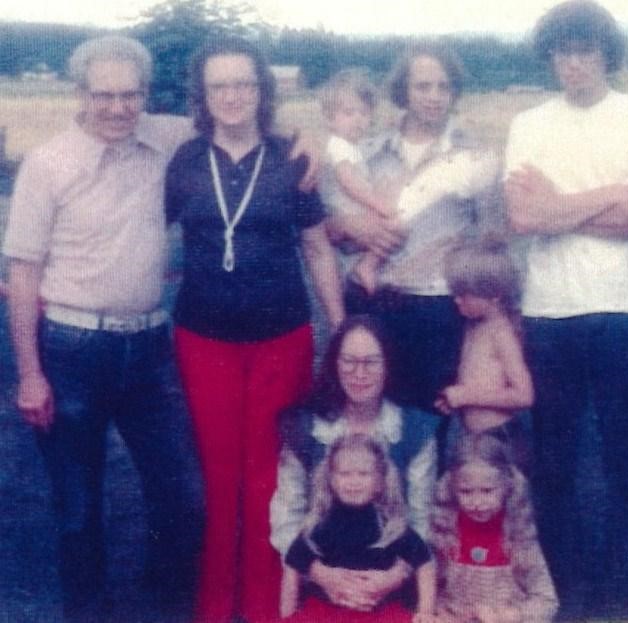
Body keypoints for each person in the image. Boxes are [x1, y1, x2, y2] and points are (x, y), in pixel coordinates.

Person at [2, 36, 202, 622]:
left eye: (130, 95)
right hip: (71, 348)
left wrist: (301, 141)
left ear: (145, 93)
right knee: (79, 507)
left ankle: (162, 606)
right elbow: (23, 271)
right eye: (104, 95)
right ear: (80, 94)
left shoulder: (166, 138)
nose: (118, 108)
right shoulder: (48, 164)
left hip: (150, 348)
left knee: (180, 494)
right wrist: (30, 374)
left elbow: (240, 122)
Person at [504, 0, 628, 615]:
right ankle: (563, 583)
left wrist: (560, 207)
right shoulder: (529, 124)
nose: (572, 63)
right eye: (561, 52)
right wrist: (611, 194)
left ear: (607, 54)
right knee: (554, 462)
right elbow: (523, 217)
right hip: (550, 313)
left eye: (583, 50)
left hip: (627, 312)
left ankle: (627, 585)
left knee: (625, 459)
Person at [164, 36, 345, 623]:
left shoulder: (293, 157)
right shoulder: (184, 159)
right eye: (220, 86)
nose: (233, 96)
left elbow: (317, 249)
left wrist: (340, 328)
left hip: (281, 337)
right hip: (204, 341)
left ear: (262, 90)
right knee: (220, 478)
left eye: (243, 84)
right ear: (203, 95)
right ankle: (216, 607)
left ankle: (268, 607)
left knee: (270, 476)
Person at [328, 44, 500, 469]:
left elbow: (493, 238)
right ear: (403, 89)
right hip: (372, 300)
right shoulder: (367, 150)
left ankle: (422, 509)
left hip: (437, 309)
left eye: (443, 86)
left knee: (426, 428)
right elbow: (331, 232)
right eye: (423, 86)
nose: (434, 96)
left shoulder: (473, 156)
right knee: (367, 423)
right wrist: (354, 228)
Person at [270, 315, 439, 607]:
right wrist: (323, 576)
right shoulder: (306, 429)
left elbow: (422, 520)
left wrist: (393, 577)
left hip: (391, 586)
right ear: (335, 364)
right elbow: (287, 516)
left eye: (371, 362)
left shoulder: (413, 430)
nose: (359, 373)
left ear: (387, 366)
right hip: (319, 584)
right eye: (349, 361)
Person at [280, 433, 437, 623]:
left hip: (381, 613)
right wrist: (287, 615)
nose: (354, 481)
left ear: (380, 482)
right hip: (328, 611)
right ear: (331, 480)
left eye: (363, 474)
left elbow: (425, 563)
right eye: (344, 474)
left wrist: (426, 612)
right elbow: (293, 563)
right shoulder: (320, 526)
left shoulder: (391, 526)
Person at [430, 433, 558, 623]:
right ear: (451, 488)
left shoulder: (518, 534)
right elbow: (431, 590)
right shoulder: (445, 530)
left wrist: (506, 616)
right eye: (466, 491)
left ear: (507, 485)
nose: (477, 502)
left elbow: (547, 601)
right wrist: (441, 613)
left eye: (487, 491)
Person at [435, 236, 533, 435]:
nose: (456, 300)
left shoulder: (502, 334)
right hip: (470, 434)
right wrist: (453, 399)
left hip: (496, 435)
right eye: (455, 293)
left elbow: (524, 396)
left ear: (495, 295)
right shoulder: (473, 325)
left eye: (464, 294)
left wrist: (467, 396)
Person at [317, 68, 394, 293]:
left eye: (364, 113)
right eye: (349, 113)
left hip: (353, 213)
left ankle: (367, 265)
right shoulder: (339, 146)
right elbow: (348, 181)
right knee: (395, 224)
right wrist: (377, 203)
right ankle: (367, 266)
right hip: (348, 212)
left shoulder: (352, 147)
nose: (358, 119)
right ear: (330, 119)